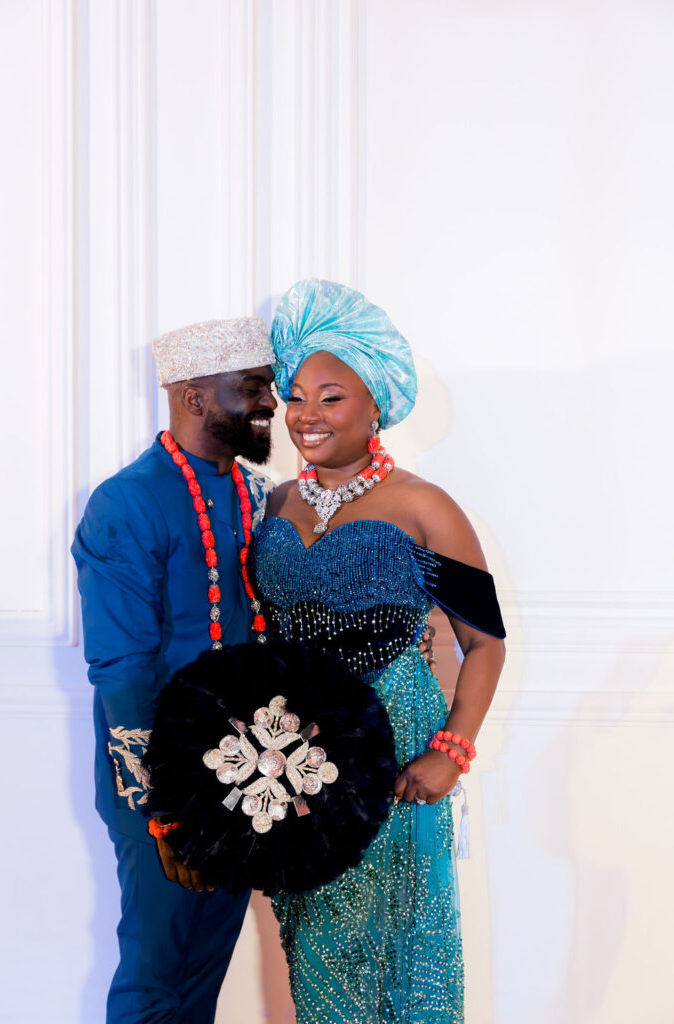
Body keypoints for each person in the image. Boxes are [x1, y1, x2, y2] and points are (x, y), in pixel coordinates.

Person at [250, 279, 506, 1023]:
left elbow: (483, 643)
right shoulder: (272, 505)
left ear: (375, 405)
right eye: (296, 396)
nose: (305, 415)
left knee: (395, 945)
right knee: (317, 950)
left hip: (396, 752)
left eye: (330, 397)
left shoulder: (424, 507)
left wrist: (451, 750)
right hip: (297, 758)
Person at [71, 317, 279, 1023]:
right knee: (156, 970)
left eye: (268, 387)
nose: (270, 405)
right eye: (251, 389)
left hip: (248, 772)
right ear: (194, 398)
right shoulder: (126, 502)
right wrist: (163, 809)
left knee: (204, 972)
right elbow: (123, 669)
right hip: (162, 776)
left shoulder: (257, 495)